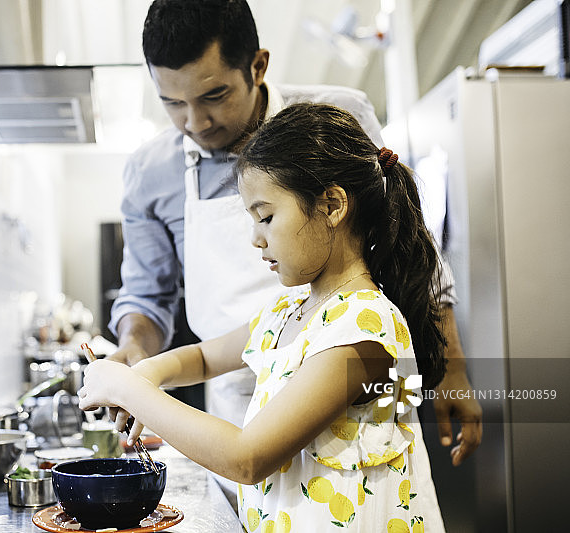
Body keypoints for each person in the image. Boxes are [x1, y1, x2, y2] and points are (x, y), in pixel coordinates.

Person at [107, 0, 481, 475]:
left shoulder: (335, 118)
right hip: (234, 403)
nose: (196, 122)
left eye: (215, 95)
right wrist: (137, 361)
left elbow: (405, 238)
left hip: (349, 387)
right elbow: (152, 302)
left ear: (258, 66)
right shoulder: (278, 313)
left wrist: (452, 367)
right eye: (172, 103)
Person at [81, 102, 446, 531]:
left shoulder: (364, 330)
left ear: (332, 205)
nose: (256, 239)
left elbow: (247, 458)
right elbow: (200, 359)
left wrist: (131, 392)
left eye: (266, 217)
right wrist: (146, 373)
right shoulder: (286, 312)